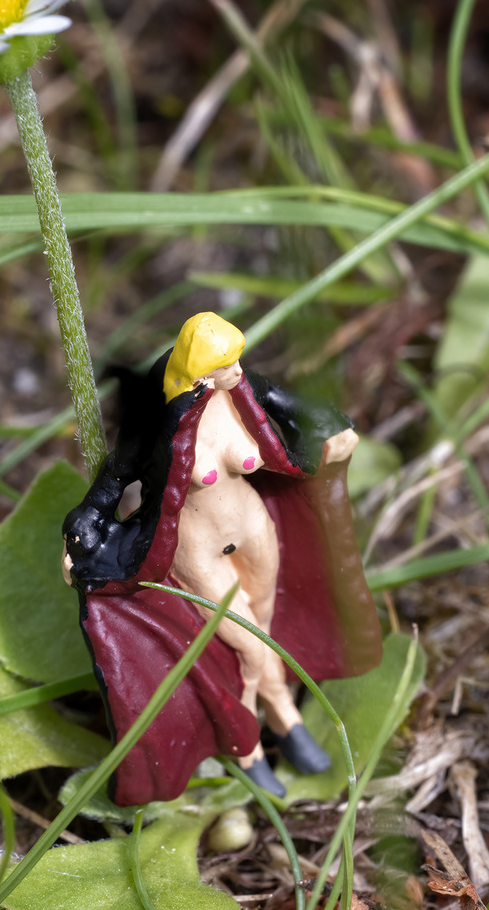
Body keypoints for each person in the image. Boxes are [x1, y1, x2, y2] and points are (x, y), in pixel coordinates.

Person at [62, 312, 383, 805]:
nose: (237, 370)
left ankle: (283, 715)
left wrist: (332, 431)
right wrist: (83, 533)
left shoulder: (241, 392)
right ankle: (248, 745)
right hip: (196, 548)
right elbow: (115, 476)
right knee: (248, 646)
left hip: (253, 524)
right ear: (197, 374)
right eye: (225, 364)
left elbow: (299, 409)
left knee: (266, 628)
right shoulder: (160, 421)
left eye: (236, 360)